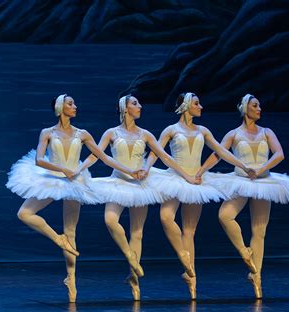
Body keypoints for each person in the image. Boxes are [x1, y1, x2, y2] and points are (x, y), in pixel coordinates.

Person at [6, 94, 142, 302]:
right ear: (61, 108)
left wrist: (129, 171)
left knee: (71, 232)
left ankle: (71, 281)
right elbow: (39, 159)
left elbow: (102, 156)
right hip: (52, 178)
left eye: (75, 103)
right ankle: (57, 238)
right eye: (71, 104)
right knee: (24, 213)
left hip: (75, 182)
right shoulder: (48, 132)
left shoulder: (83, 133)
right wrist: (63, 169)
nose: (75, 106)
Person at [79, 95, 200, 300]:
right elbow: (98, 155)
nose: (140, 106)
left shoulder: (145, 134)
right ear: (125, 109)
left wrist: (147, 168)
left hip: (139, 185)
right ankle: (130, 258)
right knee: (110, 220)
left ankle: (134, 281)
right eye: (135, 103)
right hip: (118, 183)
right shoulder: (112, 132)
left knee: (137, 233)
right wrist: (78, 169)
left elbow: (163, 155)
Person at [198, 93, 289, 299]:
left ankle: (256, 278)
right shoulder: (233, 134)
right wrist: (199, 172)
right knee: (224, 216)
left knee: (259, 231)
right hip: (241, 181)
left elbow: (279, 154)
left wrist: (261, 170)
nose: (259, 109)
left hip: (263, 182)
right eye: (255, 105)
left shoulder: (267, 132)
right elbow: (218, 154)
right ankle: (244, 251)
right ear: (245, 108)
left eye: (260, 106)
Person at [145, 92, 256, 299]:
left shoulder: (203, 130)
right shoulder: (171, 130)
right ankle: (183, 254)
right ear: (187, 106)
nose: (201, 107)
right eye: (197, 103)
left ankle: (192, 280)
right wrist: (145, 167)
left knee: (190, 231)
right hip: (176, 178)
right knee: (165, 217)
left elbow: (222, 152)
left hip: (196, 180)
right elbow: (157, 152)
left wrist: (243, 165)